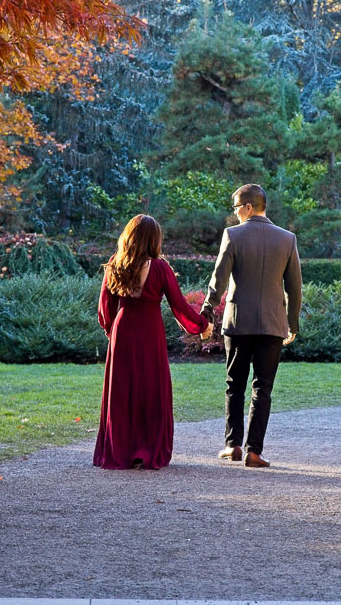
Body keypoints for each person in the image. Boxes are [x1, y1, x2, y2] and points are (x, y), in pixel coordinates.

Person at [95, 214, 213, 470]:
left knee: (122, 391)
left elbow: (105, 308)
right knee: (151, 390)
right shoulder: (161, 269)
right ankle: (145, 449)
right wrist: (202, 326)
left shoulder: (115, 265)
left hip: (123, 331)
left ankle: (121, 449)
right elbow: (179, 307)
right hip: (149, 332)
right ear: (154, 240)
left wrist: (112, 331)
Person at [201, 184, 302, 468]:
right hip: (273, 324)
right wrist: (292, 322)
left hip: (238, 322)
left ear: (247, 207)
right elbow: (295, 287)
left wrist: (207, 308)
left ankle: (232, 445)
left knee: (234, 385)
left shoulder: (233, 235)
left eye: (235, 208)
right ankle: (254, 452)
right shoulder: (287, 239)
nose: (234, 214)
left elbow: (219, 278)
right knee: (263, 388)